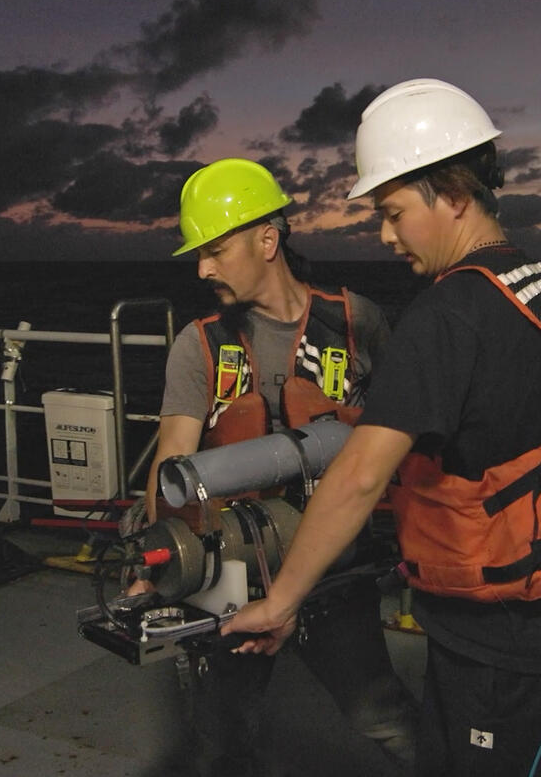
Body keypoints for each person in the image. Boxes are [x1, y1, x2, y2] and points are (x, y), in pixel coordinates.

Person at [226, 79, 541, 777]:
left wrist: (279, 602)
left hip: (515, 658)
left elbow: (362, 473)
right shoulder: (536, 281)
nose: (386, 234)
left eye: (393, 211)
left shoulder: (447, 315)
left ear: (453, 193)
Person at [136, 157, 416, 776]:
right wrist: (160, 561)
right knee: (221, 740)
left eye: (215, 249)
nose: (203, 267)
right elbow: (173, 466)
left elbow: (400, 441)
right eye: (198, 254)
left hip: (333, 566)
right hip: (230, 575)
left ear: (268, 240)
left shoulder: (357, 322)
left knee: (383, 716)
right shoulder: (200, 344)